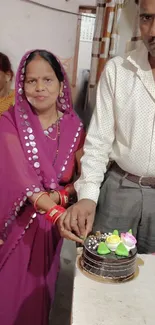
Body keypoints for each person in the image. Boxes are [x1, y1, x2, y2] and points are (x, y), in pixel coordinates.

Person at [60, 0, 155, 254]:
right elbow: (99, 141)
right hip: (119, 192)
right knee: (104, 272)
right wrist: (88, 196)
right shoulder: (118, 70)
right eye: (146, 18)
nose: (153, 30)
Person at [0, 49, 84, 325]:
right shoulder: (8, 122)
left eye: (48, 80)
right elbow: (23, 180)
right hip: (17, 228)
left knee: (42, 296)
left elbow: (80, 181)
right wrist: (58, 213)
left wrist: (62, 195)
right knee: (9, 301)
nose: (39, 88)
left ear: (61, 83)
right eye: (31, 80)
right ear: (21, 84)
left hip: (51, 233)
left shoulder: (75, 127)